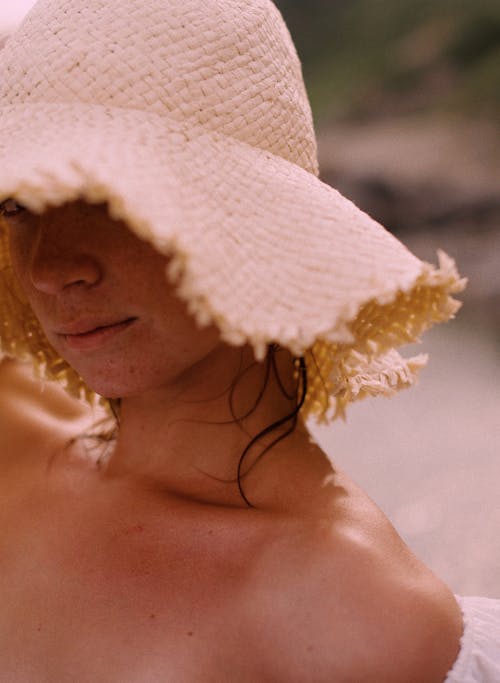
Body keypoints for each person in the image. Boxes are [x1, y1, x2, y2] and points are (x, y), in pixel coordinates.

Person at [0, 1, 498, 681]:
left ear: (250, 216)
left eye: (104, 195)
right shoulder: (17, 449)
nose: (49, 268)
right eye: (17, 205)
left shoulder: (353, 616)